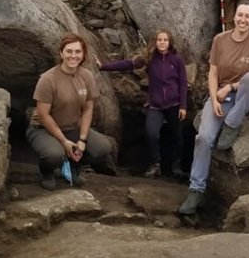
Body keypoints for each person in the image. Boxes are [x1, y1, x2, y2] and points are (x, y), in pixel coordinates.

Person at [178, 1, 249, 216]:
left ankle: (233, 123)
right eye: (240, 15)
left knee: (248, 78)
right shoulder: (220, 40)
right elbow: (212, 73)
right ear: (234, 16)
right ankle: (196, 190)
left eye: (248, 16)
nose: (243, 20)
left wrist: (229, 86)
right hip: (223, 97)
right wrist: (214, 99)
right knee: (203, 138)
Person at [27, 33, 116, 190]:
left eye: (77, 52)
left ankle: (75, 166)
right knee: (54, 154)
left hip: (72, 128)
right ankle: (47, 172)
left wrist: (82, 140)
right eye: (69, 51)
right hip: (43, 129)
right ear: (61, 53)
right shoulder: (48, 79)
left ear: (83, 55)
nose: (73, 56)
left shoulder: (87, 76)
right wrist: (64, 142)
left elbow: (88, 109)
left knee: (103, 147)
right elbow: (43, 114)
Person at [98, 29, 188, 178]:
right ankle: (155, 164)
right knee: (151, 133)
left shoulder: (176, 60)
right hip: (155, 105)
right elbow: (128, 64)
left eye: (165, 40)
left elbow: (183, 83)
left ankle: (176, 167)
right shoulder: (149, 58)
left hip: (174, 104)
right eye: (159, 39)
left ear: (170, 42)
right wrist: (104, 66)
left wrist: (183, 106)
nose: (162, 42)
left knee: (177, 136)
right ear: (155, 41)